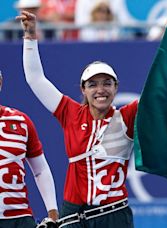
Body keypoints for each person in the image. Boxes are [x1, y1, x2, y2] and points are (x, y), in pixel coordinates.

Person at [18, 11, 136, 227]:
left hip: (114, 216)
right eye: (93, 84)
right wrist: (30, 36)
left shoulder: (127, 116)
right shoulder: (71, 113)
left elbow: (161, 90)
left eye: (107, 83)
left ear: (116, 88)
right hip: (74, 216)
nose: (100, 90)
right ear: (83, 89)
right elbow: (35, 79)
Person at [0, 71, 58, 227]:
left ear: (0, 83)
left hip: (20, 219)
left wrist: (52, 212)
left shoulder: (20, 121)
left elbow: (40, 170)